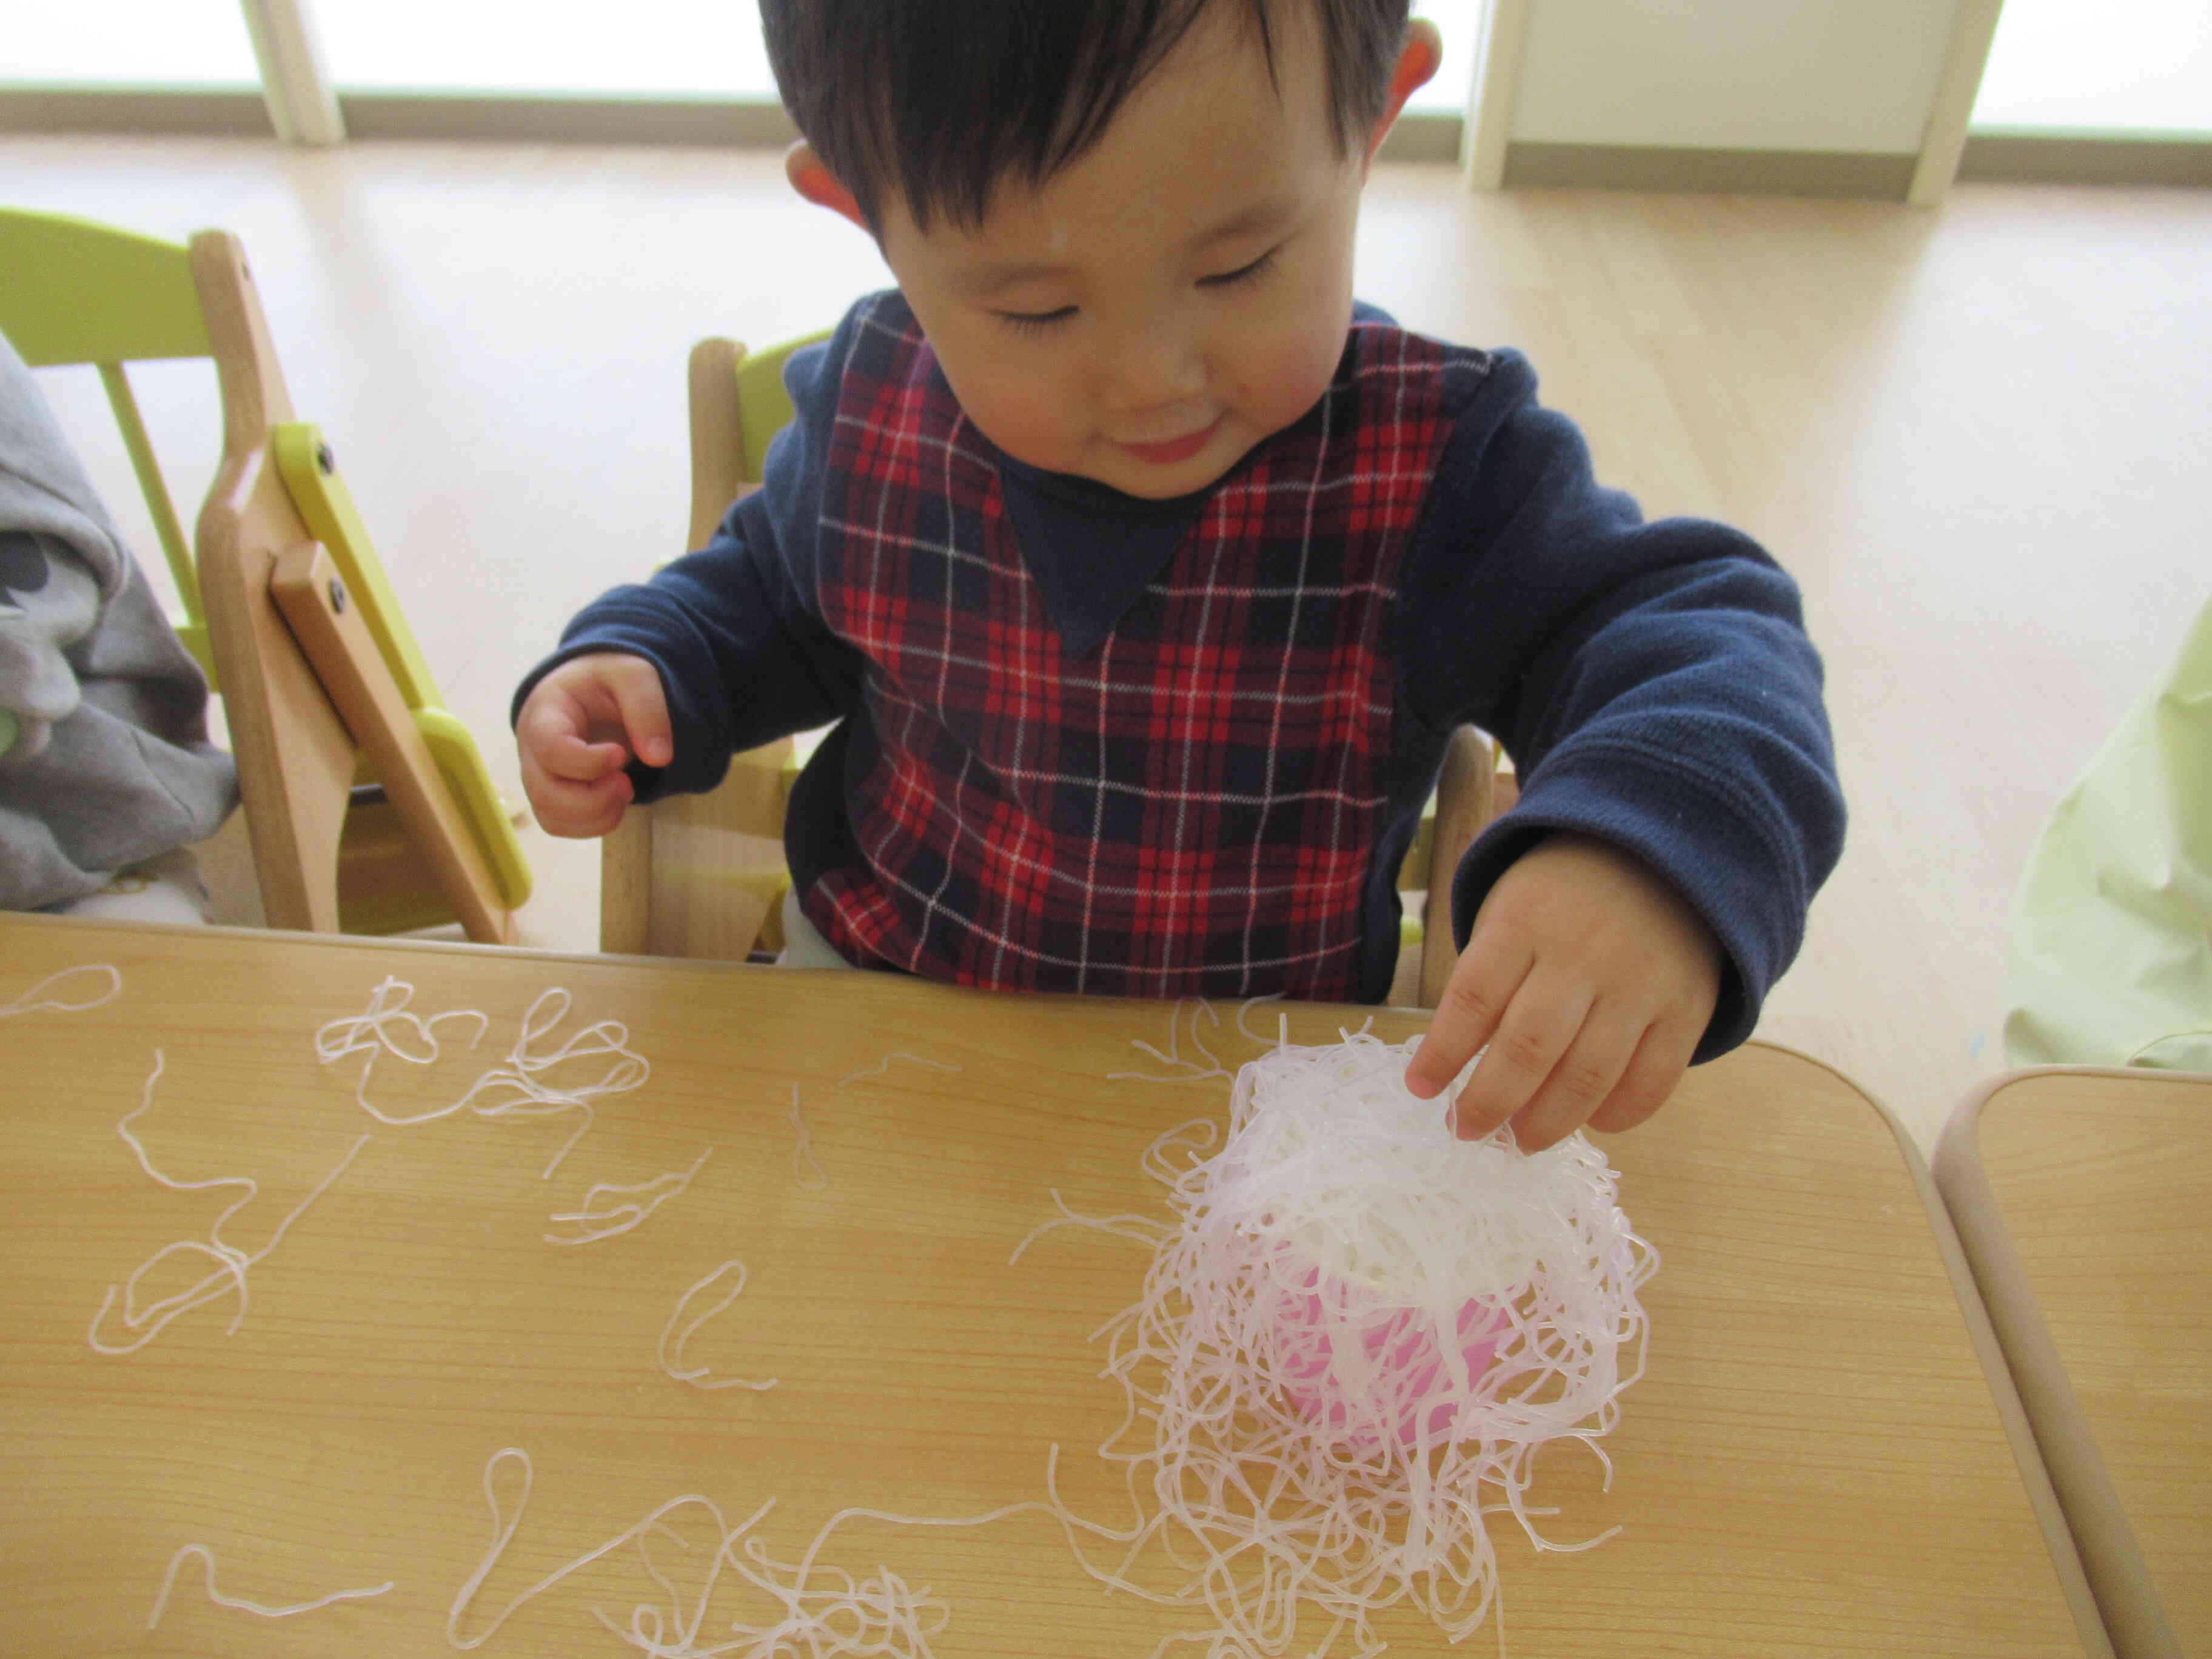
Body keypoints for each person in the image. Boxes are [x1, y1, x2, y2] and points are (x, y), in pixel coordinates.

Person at [512, 0, 1844, 1154]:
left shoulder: (1440, 470)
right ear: (866, 213)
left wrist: (1649, 851)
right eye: (1036, 309)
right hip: (877, 999)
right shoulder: (873, 406)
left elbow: (1703, 626)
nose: (1154, 378)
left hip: (1263, 1086)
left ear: (1372, 124)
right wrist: (649, 663)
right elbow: (773, 601)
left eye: (1240, 264)